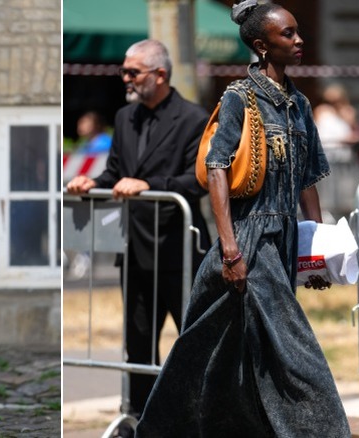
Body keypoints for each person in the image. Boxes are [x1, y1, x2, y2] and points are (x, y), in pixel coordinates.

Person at [135, 2, 351, 437]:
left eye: (296, 32)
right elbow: (217, 169)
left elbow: (307, 179)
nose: (298, 40)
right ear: (261, 46)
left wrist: (319, 251)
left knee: (224, 346)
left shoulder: (299, 103)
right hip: (248, 240)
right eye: (287, 34)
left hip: (284, 240)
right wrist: (230, 249)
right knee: (296, 354)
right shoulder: (239, 97)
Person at [66, 39, 212, 433]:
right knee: (139, 345)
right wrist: (90, 182)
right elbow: (115, 172)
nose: (125, 78)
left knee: (193, 343)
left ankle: (200, 418)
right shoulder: (125, 116)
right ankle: (144, 421)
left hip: (178, 250)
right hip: (134, 251)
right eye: (124, 71)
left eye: (133, 72)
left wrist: (148, 183)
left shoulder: (194, 118)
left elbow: (196, 181)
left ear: (160, 75)